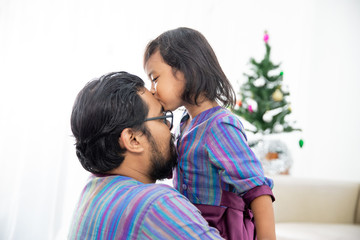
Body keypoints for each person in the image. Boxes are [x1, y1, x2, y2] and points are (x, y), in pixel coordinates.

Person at [144, 27, 276, 240]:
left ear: (186, 70)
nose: (151, 89)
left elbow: (257, 190)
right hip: (191, 227)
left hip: (222, 230)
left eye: (155, 78)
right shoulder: (185, 124)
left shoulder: (220, 125)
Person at [68, 71, 223, 239]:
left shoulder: (92, 191)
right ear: (133, 139)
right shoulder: (156, 206)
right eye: (161, 117)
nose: (169, 125)